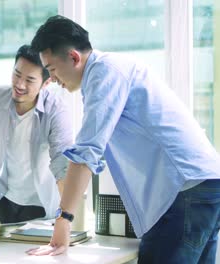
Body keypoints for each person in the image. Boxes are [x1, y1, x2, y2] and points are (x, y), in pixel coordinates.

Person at [27, 15, 220, 263]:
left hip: (185, 188)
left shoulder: (104, 72)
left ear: (74, 57)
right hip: (205, 183)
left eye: (52, 69)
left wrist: (64, 219)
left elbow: (87, 152)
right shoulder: (114, 68)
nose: (51, 79)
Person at [0, 44, 73, 223]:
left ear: (46, 83)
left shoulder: (56, 111)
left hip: (40, 203)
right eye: (17, 75)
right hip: (6, 197)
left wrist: (66, 217)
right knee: (4, 251)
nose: (20, 84)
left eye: (29, 80)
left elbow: (62, 164)